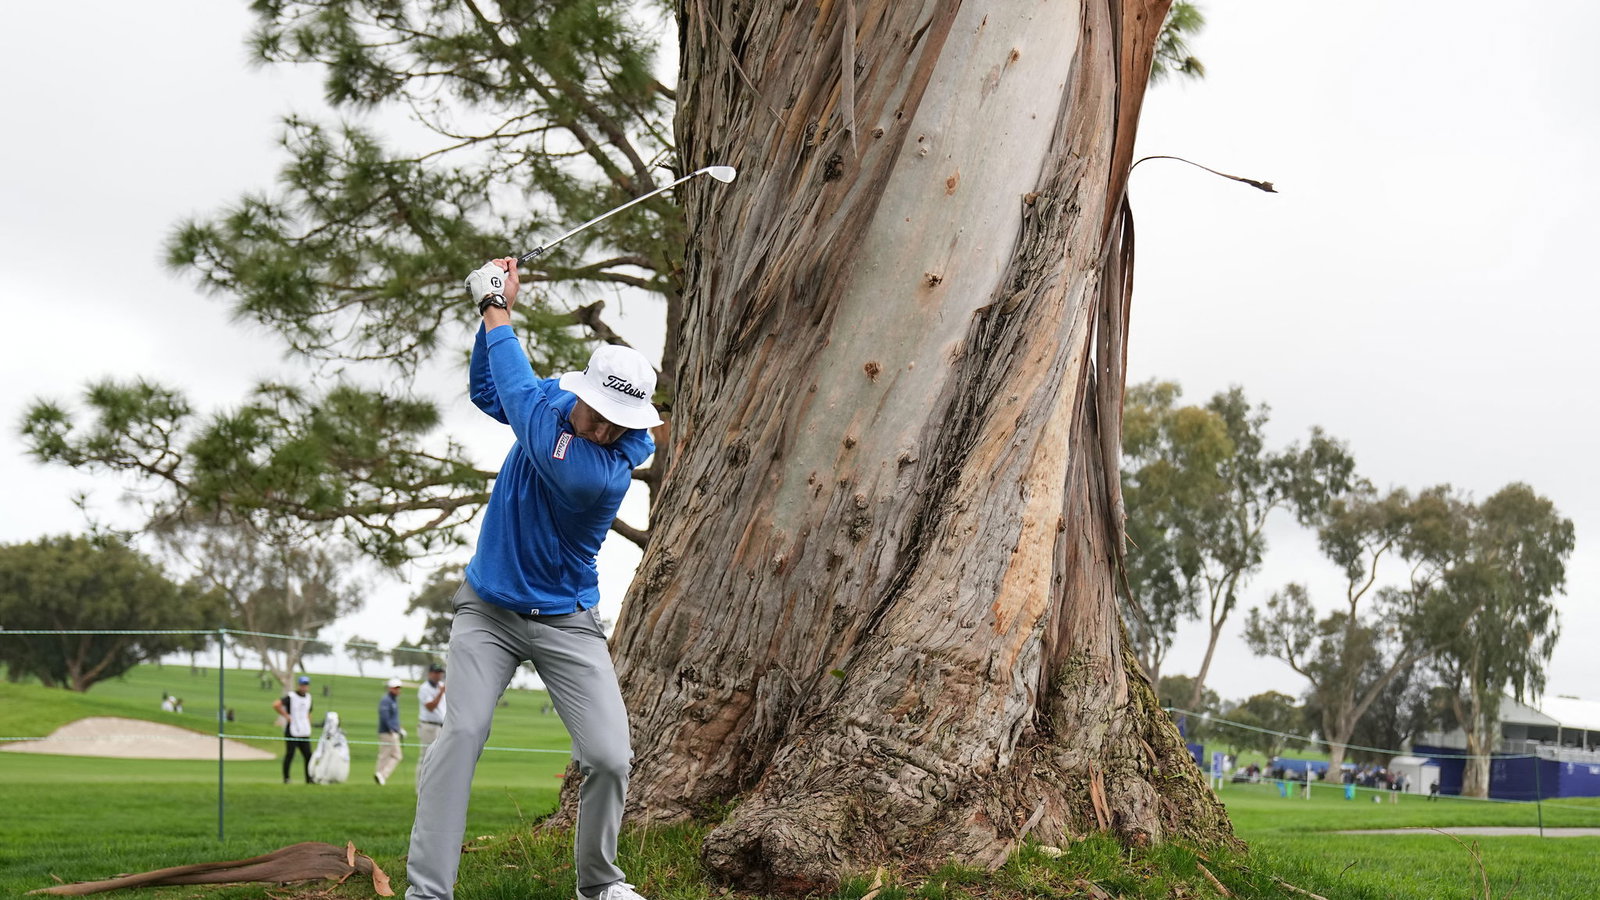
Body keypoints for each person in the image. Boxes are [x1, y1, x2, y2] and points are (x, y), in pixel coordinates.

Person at [406, 259, 659, 900]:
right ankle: (427, 891)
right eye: (597, 414)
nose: (603, 430)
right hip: (487, 611)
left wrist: (495, 305)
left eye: (617, 425)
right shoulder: (552, 403)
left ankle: (598, 882)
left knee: (609, 757)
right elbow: (496, 391)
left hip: (567, 621)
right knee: (459, 735)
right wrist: (488, 316)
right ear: (581, 394)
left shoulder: (600, 474)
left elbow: (518, 395)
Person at [273, 675, 315, 784]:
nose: (304, 687)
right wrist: (286, 716)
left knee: (308, 755)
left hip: (304, 731)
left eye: (305, 685)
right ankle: (286, 778)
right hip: (292, 730)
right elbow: (276, 705)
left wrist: (308, 724)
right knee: (290, 754)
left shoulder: (309, 698)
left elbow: (309, 713)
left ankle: (309, 779)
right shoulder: (291, 696)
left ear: (308, 686)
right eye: (302, 685)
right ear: (298, 685)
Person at [416, 663, 447, 772]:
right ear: (430, 674)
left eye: (440, 673)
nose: (438, 675)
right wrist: (440, 693)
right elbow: (430, 707)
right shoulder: (424, 688)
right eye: (436, 673)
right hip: (428, 726)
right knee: (426, 757)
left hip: (441, 726)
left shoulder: (441, 686)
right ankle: (420, 788)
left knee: (439, 757)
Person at [376, 677, 405, 785]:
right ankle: (383, 775)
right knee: (397, 755)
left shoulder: (393, 700)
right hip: (388, 732)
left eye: (399, 688)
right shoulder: (386, 700)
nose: (398, 690)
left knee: (384, 755)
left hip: (390, 731)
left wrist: (399, 728)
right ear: (390, 688)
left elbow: (393, 718)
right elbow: (385, 717)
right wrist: (393, 730)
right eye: (396, 688)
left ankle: (379, 776)